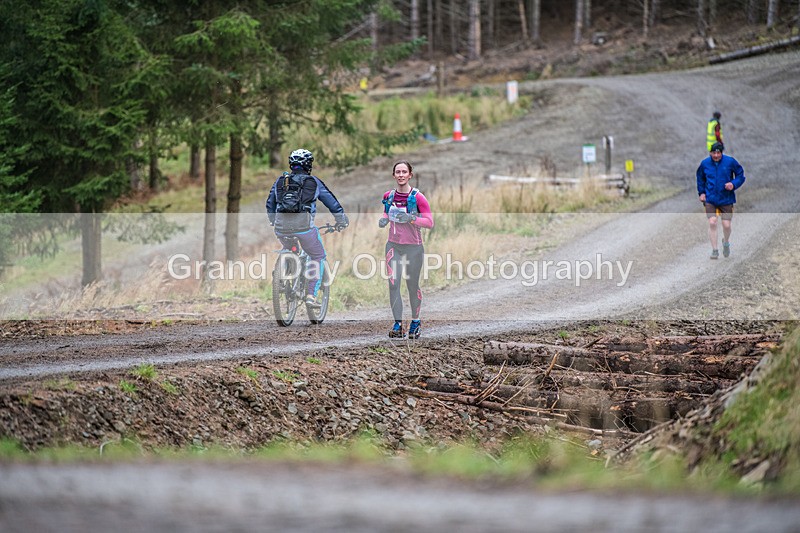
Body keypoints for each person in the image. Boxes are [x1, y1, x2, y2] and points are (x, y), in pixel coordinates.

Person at [266, 149, 349, 305]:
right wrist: (341, 219)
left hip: (280, 228)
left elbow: (270, 203)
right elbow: (331, 202)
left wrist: (273, 220)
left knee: (290, 246)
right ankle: (311, 295)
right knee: (317, 256)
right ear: (309, 164)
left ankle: (282, 275)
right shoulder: (313, 182)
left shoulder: (280, 181)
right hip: (304, 228)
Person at [378, 161, 434, 339]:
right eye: (398, 172)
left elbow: (429, 222)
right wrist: (384, 219)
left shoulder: (418, 197)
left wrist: (411, 218)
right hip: (393, 245)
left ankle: (415, 322)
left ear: (410, 175)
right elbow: (387, 213)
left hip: (413, 247)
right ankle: (398, 324)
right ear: (393, 175)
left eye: (404, 172)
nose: (401, 175)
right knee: (393, 284)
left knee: (412, 285)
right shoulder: (389, 196)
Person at [696, 142, 745, 259]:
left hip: (726, 198)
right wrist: (702, 193)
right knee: (712, 222)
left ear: (722, 152)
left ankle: (726, 242)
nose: (716, 155)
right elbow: (700, 179)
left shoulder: (730, 162)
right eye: (714, 153)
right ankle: (715, 250)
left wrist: (733, 184)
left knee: (726, 225)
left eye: (718, 153)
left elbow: (740, 175)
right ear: (710, 153)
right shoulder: (704, 164)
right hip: (710, 199)